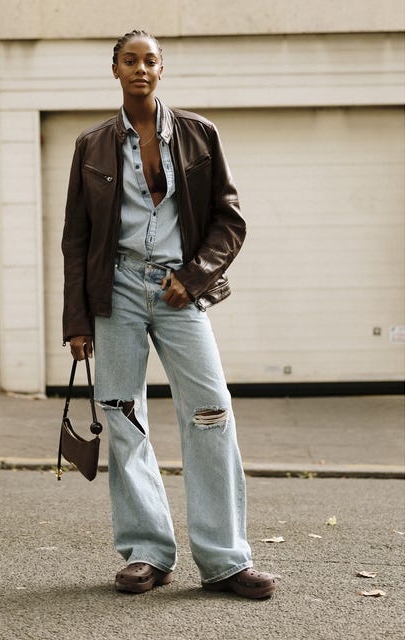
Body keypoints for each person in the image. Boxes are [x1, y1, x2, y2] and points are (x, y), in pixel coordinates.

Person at [61, 29, 276, 599]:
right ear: (114, 70)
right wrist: (77, 321)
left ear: (162, 69)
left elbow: (230, 221)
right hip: (117, 290)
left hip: (179, 288)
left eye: (149, 60)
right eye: (129, 60)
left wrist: (195, 276)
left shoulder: (200, 135)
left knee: (211, 411)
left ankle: (226, 559)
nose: (140, 68)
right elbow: (76, 239)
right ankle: (147, 552)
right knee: (124, 417)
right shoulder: (92, 146)